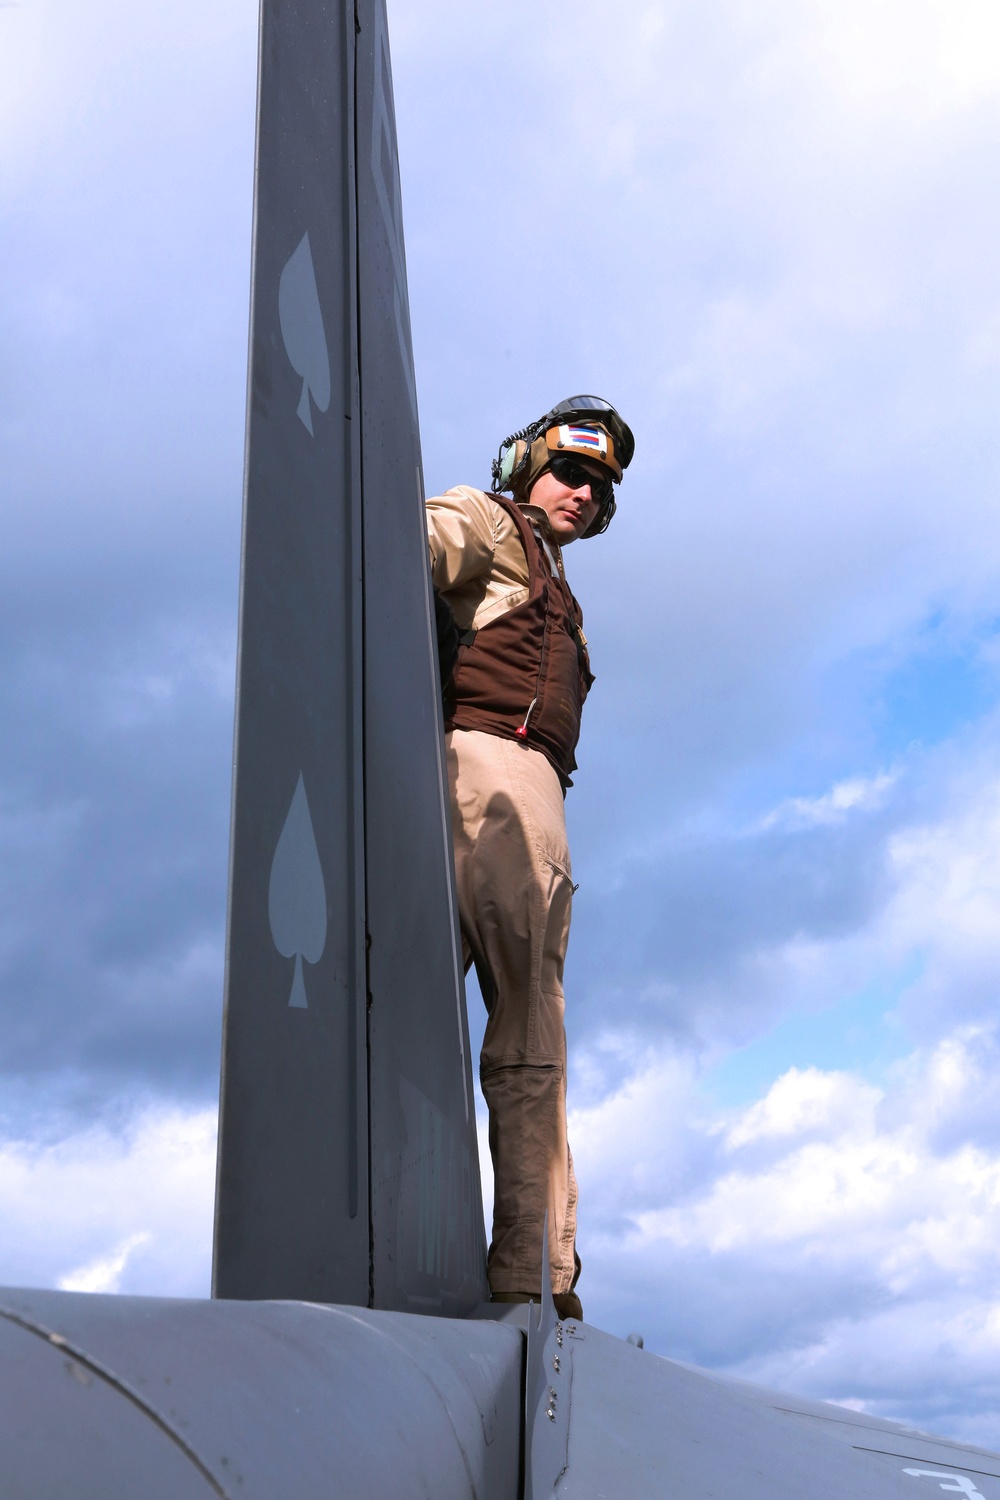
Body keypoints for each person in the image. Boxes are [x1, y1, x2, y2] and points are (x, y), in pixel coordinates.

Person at [426, 395, 634, 1321]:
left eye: (601, 485)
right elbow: (402, 544)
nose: (584, 493)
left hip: (514, 789)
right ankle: (534, 1281)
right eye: (570, 471)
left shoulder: (560, 585)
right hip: (494, 774)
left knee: (502, 1024)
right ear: (526, 463)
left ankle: (521, 1268)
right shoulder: (489, 519)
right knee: (530, 1033)